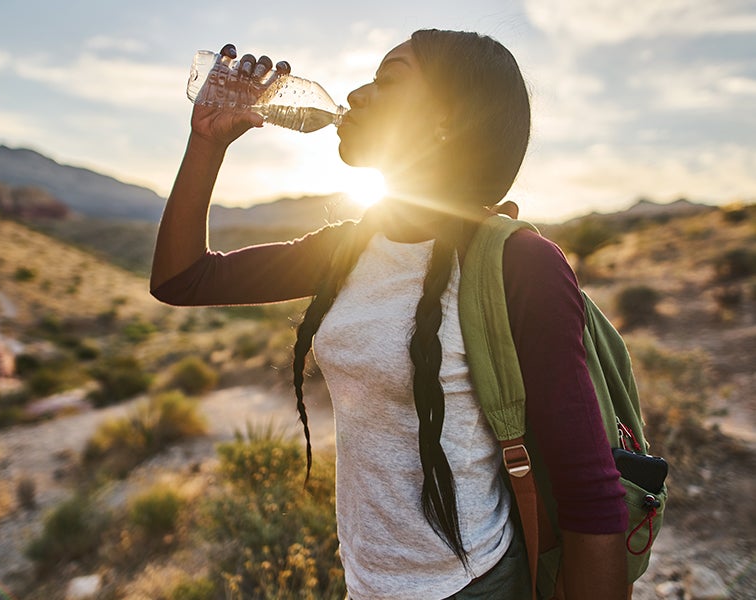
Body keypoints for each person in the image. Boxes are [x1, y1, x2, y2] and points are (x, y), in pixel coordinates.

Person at [151, 29, 628, 600]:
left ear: (447, 120)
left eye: (387, 81)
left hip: (473, 585)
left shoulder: (519, 263)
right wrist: (208, 143)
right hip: (367, 585)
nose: (354, 94)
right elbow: (182, 279)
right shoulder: (346, 249)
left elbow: (589, 492)